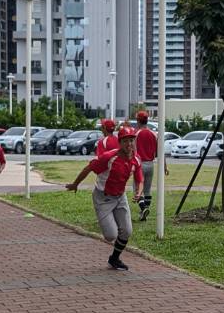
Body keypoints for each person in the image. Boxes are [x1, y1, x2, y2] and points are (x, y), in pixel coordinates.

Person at [66, 125, 144, 271]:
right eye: (125, 141)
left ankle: (114, 259)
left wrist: (139, 193)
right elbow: (89, 168)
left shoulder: (136, 159)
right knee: (110, 235)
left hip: (120, 197)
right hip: (103, 198)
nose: (129, 144)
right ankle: (106, 221)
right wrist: (75, 184)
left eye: (132, 140)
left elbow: (140, 179)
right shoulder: (109, 157)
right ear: (120, 142)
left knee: (127, 231)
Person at [133, 110, 162, 220]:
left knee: (137, 189)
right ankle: (144, 212)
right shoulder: (154, 134)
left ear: (138, 121)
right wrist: (164, 166)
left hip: (140, 165)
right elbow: (159, 152)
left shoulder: (136, 134)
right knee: (147, 190)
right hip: (151, 164)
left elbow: (133, 151)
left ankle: (144, 209)